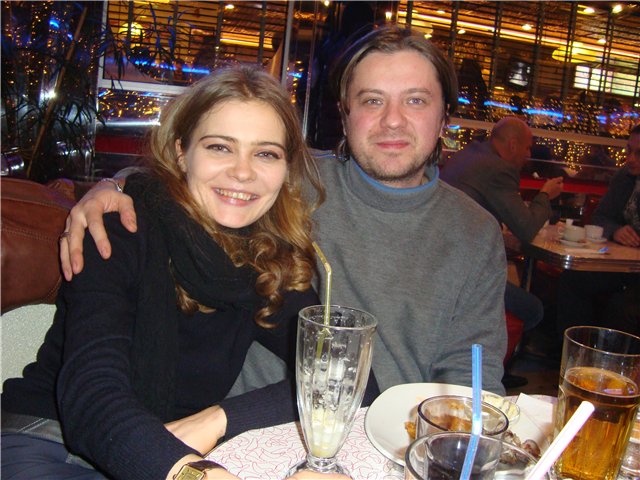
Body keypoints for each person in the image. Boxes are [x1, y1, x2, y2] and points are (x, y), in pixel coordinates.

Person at [59, 27, 509, 395]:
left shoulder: (475, 231)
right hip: (260, 427)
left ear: (444, 117)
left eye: (416, 100)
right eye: (372, 100)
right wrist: (114, 187)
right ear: (345, 114)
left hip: (393, 437)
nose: (392, 119)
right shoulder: (292, 182)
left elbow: (472, 374)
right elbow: (193, 177)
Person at [1, 66, 351, 480]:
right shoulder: (119, 229)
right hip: (51, 443)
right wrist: (196, 473)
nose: (243, 172)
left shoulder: (266, 258)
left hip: (169, 451)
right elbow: (92, 397)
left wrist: (219, 419)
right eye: (220, 147)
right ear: (182, 152)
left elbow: (345, 377)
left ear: (285, 167)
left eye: (265, 153)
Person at [440, 117, 564, 386]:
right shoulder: (498, 169)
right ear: (513, 144)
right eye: (528, 147)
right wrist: (545, 195)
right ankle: (496, 371)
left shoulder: (469, 155)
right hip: (459, 273)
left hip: (443, 259)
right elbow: (527, 228)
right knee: (533, 309)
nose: (528, 154)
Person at [556, 123, 640, 339]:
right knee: (572, 279)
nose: (630, 159)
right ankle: (571, 349)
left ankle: (608, 357)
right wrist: (615, 231)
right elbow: (600, 216)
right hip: (623, 267)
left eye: (638, 154)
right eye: (629, 151)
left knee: (621, 307)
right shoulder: (624, 178)